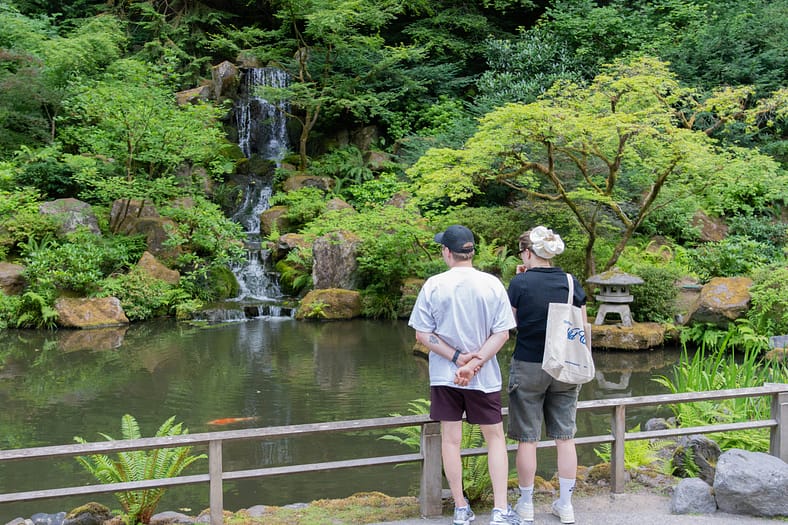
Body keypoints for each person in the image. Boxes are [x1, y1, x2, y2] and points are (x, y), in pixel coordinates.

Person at [409, 224, 521, 525]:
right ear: (471, 252)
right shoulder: (492, 284)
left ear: (447, 252)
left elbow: (422, 334)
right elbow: (503, 333)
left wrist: (458, 359)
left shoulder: (433, 285)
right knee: (494, 438)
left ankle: (460, 507)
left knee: (450, 440)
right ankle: (500, 509)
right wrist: (474, 364)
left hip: (445, 376)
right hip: (483, 377)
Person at [506, 226, 589, 525]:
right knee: (565, 437)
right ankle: (565, 505)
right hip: (565, 364)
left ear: (528, 253)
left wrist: (522, 281)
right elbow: (581, 324)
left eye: (522, 253)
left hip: (529, 364)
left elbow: (510, 324)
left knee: (527, 439)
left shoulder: (519, 283)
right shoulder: (570, 282)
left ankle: (526, 504)